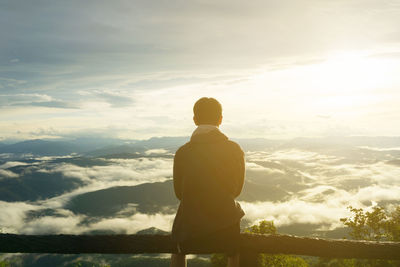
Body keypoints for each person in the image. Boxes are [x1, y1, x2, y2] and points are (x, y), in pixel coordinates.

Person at [170, 97, 245, 267]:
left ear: (195, 119)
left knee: (176, 247)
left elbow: (179, 194)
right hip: (226, 223)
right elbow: (237, 190)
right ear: (220, 119)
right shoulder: (234, 149)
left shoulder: (183, 152)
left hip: (190, 224)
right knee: (234, 248)